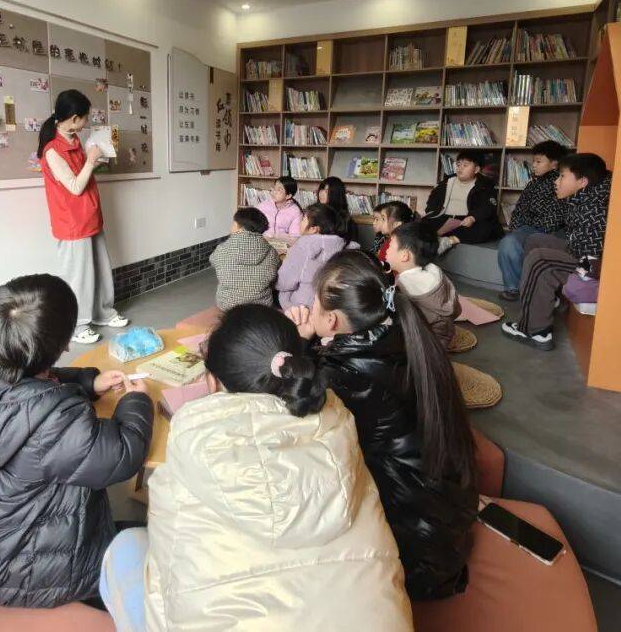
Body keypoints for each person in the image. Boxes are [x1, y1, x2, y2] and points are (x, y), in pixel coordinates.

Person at [99, 304, 413, 632]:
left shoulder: (194, 438)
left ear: (212, 382)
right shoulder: (338, 424)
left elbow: (167, 554)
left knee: (127, 547)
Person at [0, 274, 153, 608]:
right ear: (64, 345)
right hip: (22, 571)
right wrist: (136, 402)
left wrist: (89, 383)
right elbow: (123, 455)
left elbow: (34, 390)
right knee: (154, 544)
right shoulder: (58, 420)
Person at [285, 251, 478, 601]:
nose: (309, 308)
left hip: (415, 554)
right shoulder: (403, 334)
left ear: (331, 320)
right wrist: (313, 342)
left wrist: (299, 342)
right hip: (443, 517)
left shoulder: (345, 377)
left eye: (314, 303)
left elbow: (298, 414)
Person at [38, 89, 129, 345]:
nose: (87, 121)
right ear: (74, 118)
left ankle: (103, 313)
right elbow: (75, 187)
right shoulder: (53, 150)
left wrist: (94, 162)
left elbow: (83, 177)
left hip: (90, 217)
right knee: (79, 276)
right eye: (85, 117)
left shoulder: (74, 140)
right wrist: (90, 162)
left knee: (100, 270)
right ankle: (78, 325)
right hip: (72, 223)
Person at [502, 153, 612, 351]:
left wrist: (570, 275)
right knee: (535, 240)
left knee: (540, 260)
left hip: (591, 265)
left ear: (582, 181)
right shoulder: (585, 195)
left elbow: (592, 261)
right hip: (580, 251)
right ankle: (545, 299)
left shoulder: (594, 209)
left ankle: (535, 330)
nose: (556, 181)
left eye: (562, 176)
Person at [497, 141, 570, 300]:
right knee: (508, 242)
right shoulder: (533, 183)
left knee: (519, 244)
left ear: (554, 164)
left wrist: (526, 226)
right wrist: (517, 227)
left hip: (552, 230)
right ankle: (514, 288)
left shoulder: (561, 183)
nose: (534, 165)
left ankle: (525, 290)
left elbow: (555, 216)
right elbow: (520, 208)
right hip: (529, 228)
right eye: (533, 161)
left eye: (539, 161)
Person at [387, 220, 461, 348]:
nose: (386, 251)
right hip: (445, 334)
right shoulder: (435, 272)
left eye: (390, 246)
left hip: (423, 344)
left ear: (404, 256)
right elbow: (456, 308)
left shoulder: (403, 284)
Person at [276, 203, 357, 310]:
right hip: (334, 307)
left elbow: (284, 283)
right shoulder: (346, 246)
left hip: (303, 307)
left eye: (303, 219)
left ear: (314, 229)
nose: (300, 222)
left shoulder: (303, 246)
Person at [423, 150, 501, 254]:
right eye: (458, 164)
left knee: (486, 226)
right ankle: (439, 238)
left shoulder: (485, 185)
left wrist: (473, 217)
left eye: (465, 165)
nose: (460, 168)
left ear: (476, 169)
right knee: (421, 225)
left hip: (467, 220)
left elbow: (488, 207)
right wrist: (431, 212)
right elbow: (432, 200)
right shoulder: (447, 182)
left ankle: (449, 240)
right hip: (445, 218)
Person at [209, 207, 280, 310]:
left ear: (240, 227)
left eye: (233, 223)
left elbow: (213, 260)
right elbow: (275, 273)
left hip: (228, 304)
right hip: (261, 305)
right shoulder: (272, 252)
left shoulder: (222, 249)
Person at [371, 199, 415, 270]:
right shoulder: (391, 240)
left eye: (383, 219)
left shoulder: (393, 244)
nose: (380, 222)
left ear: (397, 224)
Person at [316, 176, 355, 243]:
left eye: (326, 191)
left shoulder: (344, 220)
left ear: (336, 194)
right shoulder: (315, 214)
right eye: (321, 190)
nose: (321, 194)